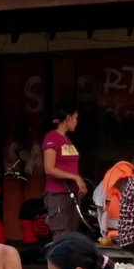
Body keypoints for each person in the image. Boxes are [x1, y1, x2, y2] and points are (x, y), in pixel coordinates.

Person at [42, 104, 87, 242]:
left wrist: (80, 184)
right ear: (68, 118)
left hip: (71, 195)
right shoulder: (52, 137)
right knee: (60, 238)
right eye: (75, 118)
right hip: (58, 194)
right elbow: (49, 169)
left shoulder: (67, 140)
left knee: (72, 238)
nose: (76, 121)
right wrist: (75, 177)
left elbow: (70, 166)